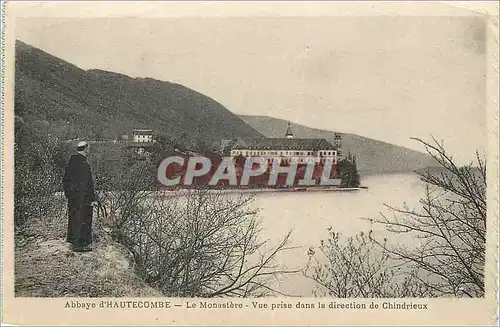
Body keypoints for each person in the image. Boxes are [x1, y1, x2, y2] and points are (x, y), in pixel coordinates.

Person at [63, 141, 96, 252]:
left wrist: (69, 194)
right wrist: (91, 198)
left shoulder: (70, 163)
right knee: (83, 220)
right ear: (86, 149)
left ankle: (74, 243)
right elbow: (88, 183)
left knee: (74, 219)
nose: (89, 150)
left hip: (73, 198)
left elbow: (65, 181)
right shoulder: (84, 165)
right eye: (88, 148)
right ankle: (81, 245)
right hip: (83, 198)